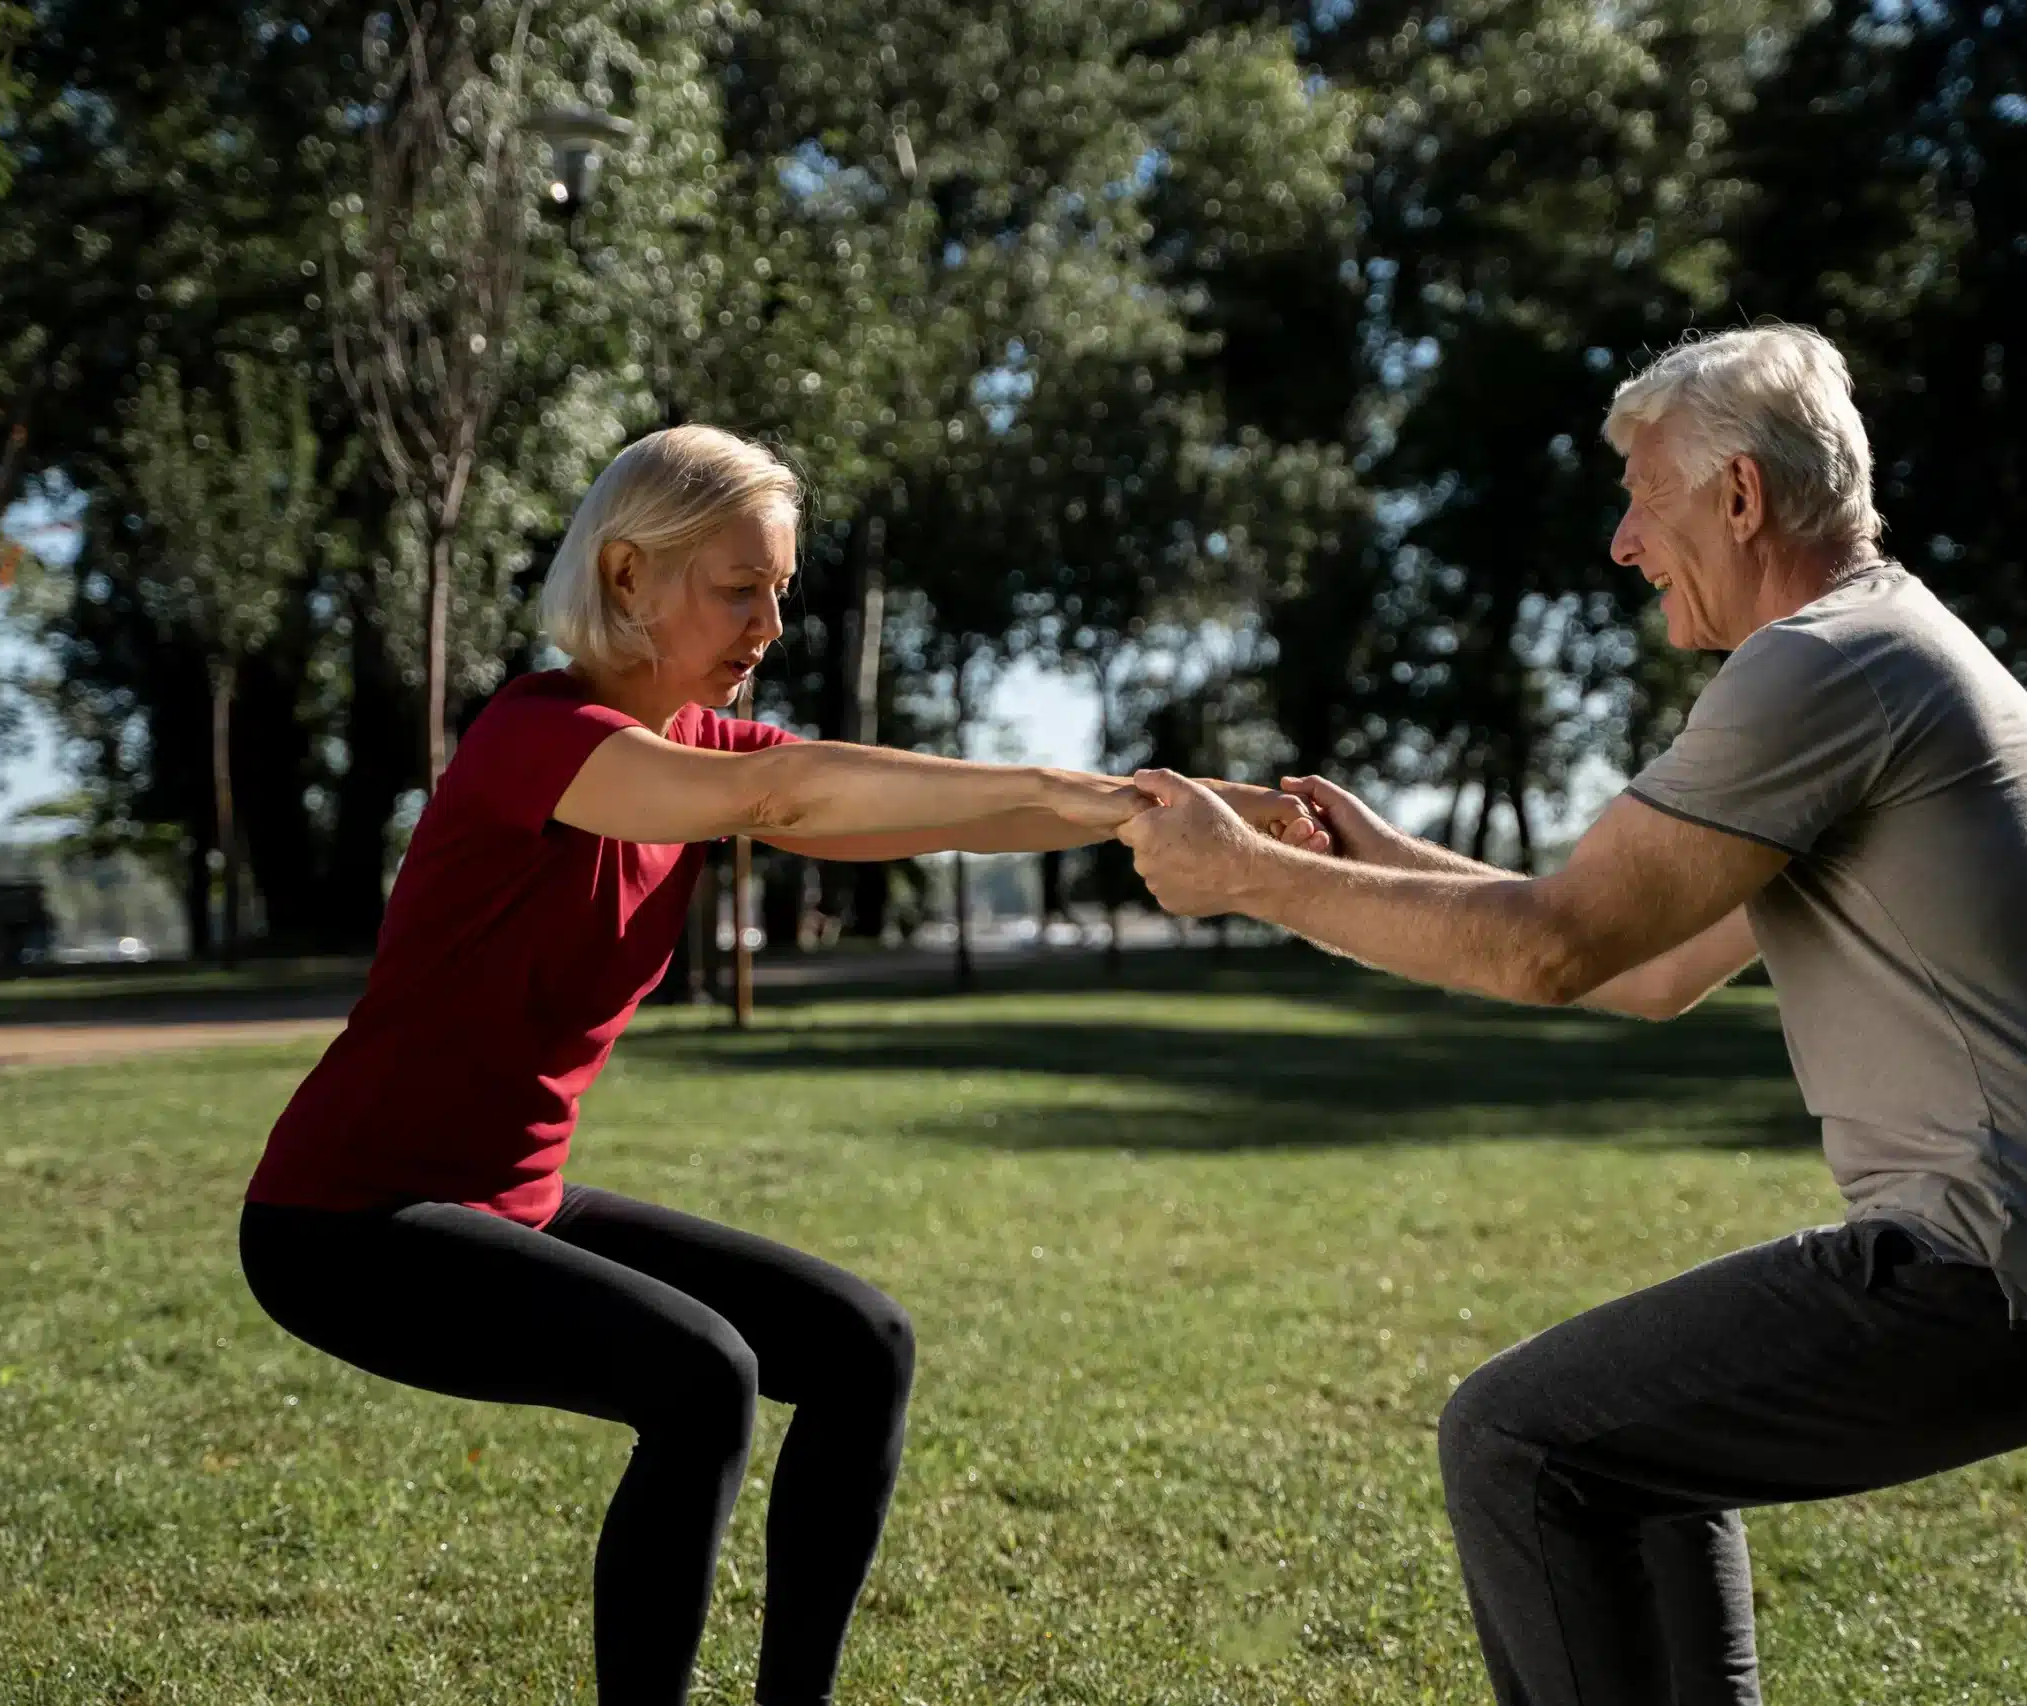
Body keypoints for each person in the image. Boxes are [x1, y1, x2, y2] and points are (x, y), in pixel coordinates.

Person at [1117, 325, 2027, 1706]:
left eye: (1644, 497)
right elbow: (1646, 962)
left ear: (1740, 496)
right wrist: (1381, 862)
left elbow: (1557, 951)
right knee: (1625, 1449)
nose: (1624, 543)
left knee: (1515, 1439)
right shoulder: (1887, 649)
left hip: (1989, 1265)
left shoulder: (1822, 665)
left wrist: (1246, 878)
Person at [237, 425, 1324, 1706]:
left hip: (509, 1201)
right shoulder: (538, 736)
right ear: (629, 575)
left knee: (861, 1343)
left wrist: (1191, 807)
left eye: (781, 589)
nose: (768, 622)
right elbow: (787, 796)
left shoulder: (702, 748)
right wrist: (1081, 794)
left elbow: (956, 810)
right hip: (347, 1223)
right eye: (738, 588)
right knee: (702, 1375)